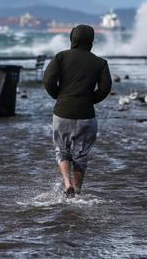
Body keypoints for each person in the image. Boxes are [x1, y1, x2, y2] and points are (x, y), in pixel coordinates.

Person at [43, 24, 112, 198]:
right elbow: (105, 88)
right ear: (91, 41)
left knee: (62, 150)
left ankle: (67, 185)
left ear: (72, 38)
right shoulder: (100, 62)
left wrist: (60, 97)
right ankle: (78, 190)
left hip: (62, 113)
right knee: (81, 154)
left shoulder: (61, 57)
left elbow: (48, 80)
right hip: (87, 115)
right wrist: (89, 100)